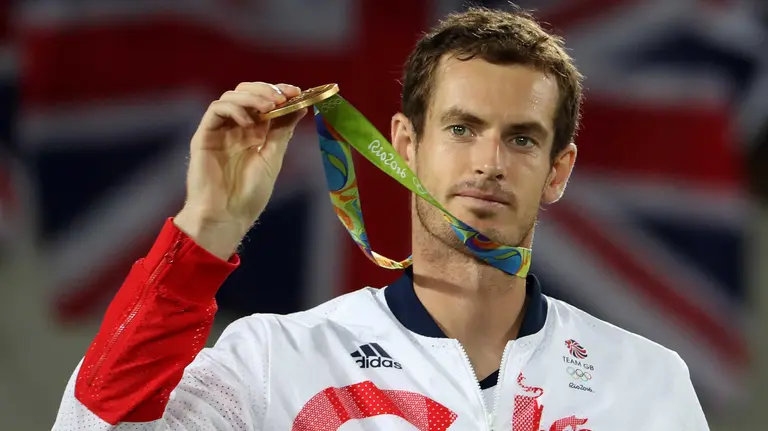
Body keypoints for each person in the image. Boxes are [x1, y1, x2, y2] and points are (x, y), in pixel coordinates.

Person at [53, 6, 709, 430]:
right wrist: (206, 226)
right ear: (403, 144)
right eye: (461, 128)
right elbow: (95, 423)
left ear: (558, 169)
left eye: (522, 138)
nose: (489, 162)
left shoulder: (647, 384)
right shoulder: (273, 363)